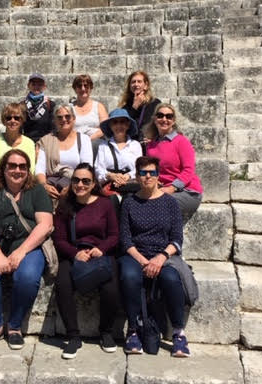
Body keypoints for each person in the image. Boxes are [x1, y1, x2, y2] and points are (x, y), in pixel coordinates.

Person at [0, 149, 54, 350]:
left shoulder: (37, 190)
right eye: (12, 166)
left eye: (22, 166)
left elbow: (45, 224)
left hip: (29, 246)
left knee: (27, 277)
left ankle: (15, 326)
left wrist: (21, 251)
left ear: (28, 170)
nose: (17, 170)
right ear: (4, 168)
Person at [118, 156, 190, 357]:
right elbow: (125, 239)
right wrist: (142, 260)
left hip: (163, 255)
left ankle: (178, 333)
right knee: (130, 276)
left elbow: (176, 239)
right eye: (143, 173)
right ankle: (133, 330)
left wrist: (160, 258)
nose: (147, 176)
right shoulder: (129, 202)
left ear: (158, 176)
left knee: (170, 278)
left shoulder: (170, 203)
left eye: (151, 172)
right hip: (135, 255)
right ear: (137, 176)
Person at [52, 163, 120, 359]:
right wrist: (75, 254)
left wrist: (101, 249)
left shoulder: (105, 204)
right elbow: (59, 239)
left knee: (111, 289)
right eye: (76, 180)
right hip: (75, 253)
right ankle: (73, 336)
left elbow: (114, 235)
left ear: (93, 184)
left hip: (101, 253)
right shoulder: (65, 206)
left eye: (85, 181)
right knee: (63, 285)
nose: (80, 184)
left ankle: (106, 332)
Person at [143, 103, 203, 225]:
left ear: (173, 120)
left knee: (158, 205)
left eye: (169, 116)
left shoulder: (181, 141)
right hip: (161, 189)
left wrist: (172, 188)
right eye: (160, 116)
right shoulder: (151, 145)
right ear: (155, 119)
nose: (164, 119)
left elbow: (188, 170)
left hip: (186, 191)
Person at [36, 105, 93, 203]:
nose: (64, 119)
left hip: (78, 186)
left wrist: (71, 187)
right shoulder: (46, 141)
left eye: (67, 116)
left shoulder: (84, 139)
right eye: (59, 117)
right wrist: (45, 186)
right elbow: (39, 169)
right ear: (55, 120)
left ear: (74, 119)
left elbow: (87, 168)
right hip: (51, 186)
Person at [94, 108, 143, 196]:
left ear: (128, 125)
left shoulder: (135, 145)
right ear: (110, 126)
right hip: (109, 186)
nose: (119, 125)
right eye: (115, 122)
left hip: (130, 186)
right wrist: (111, 176)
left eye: (122, 122)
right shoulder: (103, 146)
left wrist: (126, 177)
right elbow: (98, 169)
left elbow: (139, 167)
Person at [0, 103, 36, 181]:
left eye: (16, 118)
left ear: (22, 121)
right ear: (4, 121)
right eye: (8, 118)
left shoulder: (29, 143)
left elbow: (31, 172)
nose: (12, 120)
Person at [70, 74, 108, 154]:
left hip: (95, 143)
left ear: (90, 88)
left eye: (86, 86)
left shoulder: (99, 106)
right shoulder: (70, 108)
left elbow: (105, 128)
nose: (83, 89)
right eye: (79, 86)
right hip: (75, 143)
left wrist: (87, 140)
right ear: (75, 89)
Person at [118, 71, 161, 141]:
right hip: (131, 143)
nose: (136, 84)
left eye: (139, 81)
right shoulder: (126, 106)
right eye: (133, 82)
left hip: (150, 142)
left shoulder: (155, 103)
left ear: (146, 85)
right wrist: (134, 107)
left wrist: (154, 138)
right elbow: (124, 125)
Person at [21, 73, 56, 143]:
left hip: (45, 143)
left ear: (44, 86)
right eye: (33, 84)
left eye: (40, 84)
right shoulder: (22, 105)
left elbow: (53, 128)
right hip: (27, 143)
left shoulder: (50, 105)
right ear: (28, 86)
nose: (36, 87)